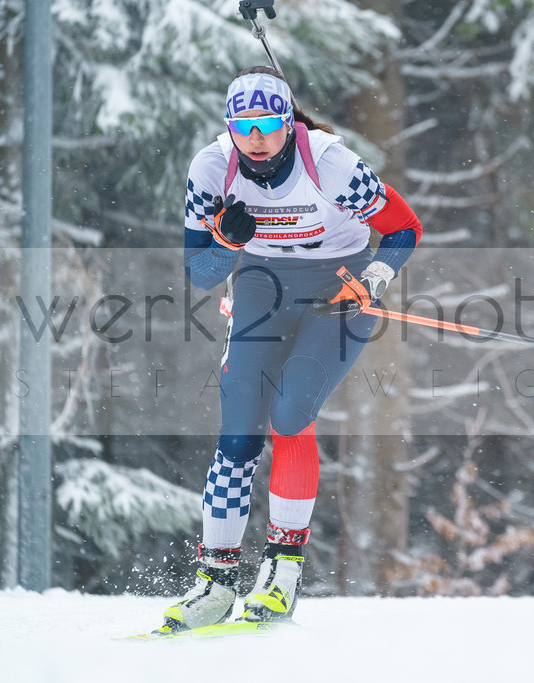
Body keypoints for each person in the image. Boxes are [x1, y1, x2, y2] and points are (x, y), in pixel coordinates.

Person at [159, 66, 421, 633]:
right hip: (260, 283)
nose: (254, 137)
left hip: (338, 285)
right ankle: (216, 579)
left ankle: (282, 567)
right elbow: (202, 273)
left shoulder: (329, 164)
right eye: (242, 125)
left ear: (288, 121)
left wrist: (372, 280)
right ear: (229, 126)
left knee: (291, 415)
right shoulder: (212, 168)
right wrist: (228, 241)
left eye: (267, 123)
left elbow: (403, 228)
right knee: (239, 430)